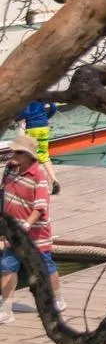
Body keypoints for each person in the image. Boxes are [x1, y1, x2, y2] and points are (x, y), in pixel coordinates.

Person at [0, 134, 64, 323]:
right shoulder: (10, 170)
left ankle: (58, 300)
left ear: (29, 155)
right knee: (7, 266)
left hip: (35, 233)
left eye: (19, 152)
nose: (14, 154)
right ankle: (6, 309)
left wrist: (26, 225)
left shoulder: (38, 175)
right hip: (13, 231)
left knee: (44, 265)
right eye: (14, 151)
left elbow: (40, 207)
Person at [17, 99, 60, 196]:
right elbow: (53, 107)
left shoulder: (28, 95)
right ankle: (54, 180)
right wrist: (46, 118)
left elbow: (26, 112)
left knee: (30, 156)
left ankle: (33, 186)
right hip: (44, 127)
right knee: (44, 156)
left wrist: (15, 118)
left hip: (32, 128)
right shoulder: (42, 94)